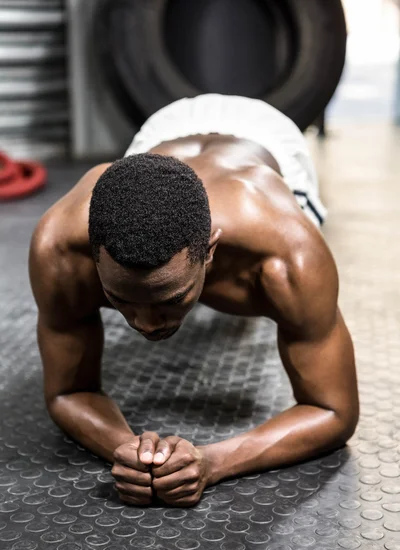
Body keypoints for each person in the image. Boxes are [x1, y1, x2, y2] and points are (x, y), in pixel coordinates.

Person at [29, 94, 359, 508]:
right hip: (166, 128)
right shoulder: (59, 246)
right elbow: (66, 392)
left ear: (211, 253)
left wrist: (212, 461)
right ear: (92, 254)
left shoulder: (285, 257)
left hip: (265, 142)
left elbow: (334, 411)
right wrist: (131, 451)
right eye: (121, 301)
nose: (147, 326)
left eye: (172, 298)